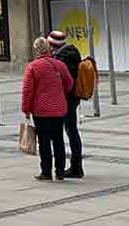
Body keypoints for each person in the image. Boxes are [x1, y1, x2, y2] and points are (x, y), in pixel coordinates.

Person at [21, 36, 74, 181]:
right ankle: (60, 171)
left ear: (36, 50)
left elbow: (27, 90)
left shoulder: (32, 67)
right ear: (49, 48)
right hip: (59, 108)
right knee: (58, 139)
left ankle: (46, 172)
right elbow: (69, 84)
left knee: (44, 141)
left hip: (41, 110)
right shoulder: (59, 65)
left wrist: (26, 108)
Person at [47, 30, 84, 177]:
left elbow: (64, 81)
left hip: (66, 99)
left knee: (66, 132)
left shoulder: (62, 59)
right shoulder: (72, 53)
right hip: (73, 98)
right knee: (72, 130)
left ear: (52, 45)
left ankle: (74, 168)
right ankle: (76, 166)